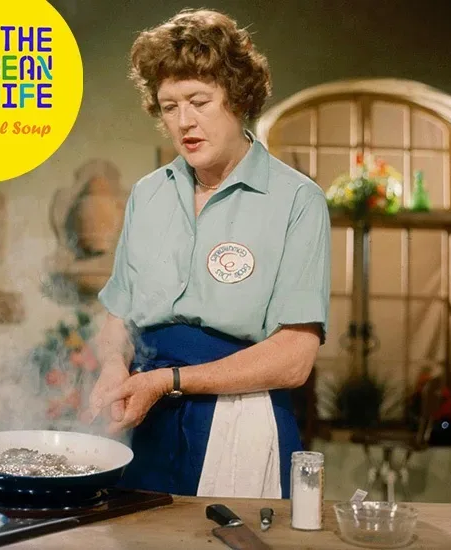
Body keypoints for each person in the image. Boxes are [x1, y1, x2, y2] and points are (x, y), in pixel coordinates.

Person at [84, 8, 331, 499]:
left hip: (241, 417)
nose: (184, 122)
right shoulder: (148, 194)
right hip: (148, 421)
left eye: (200, 100)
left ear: (237, 98)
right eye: (169, 106)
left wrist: (171, 380)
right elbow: (118, 318)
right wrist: (115, 364)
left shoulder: (296, 200)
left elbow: (294, 360)